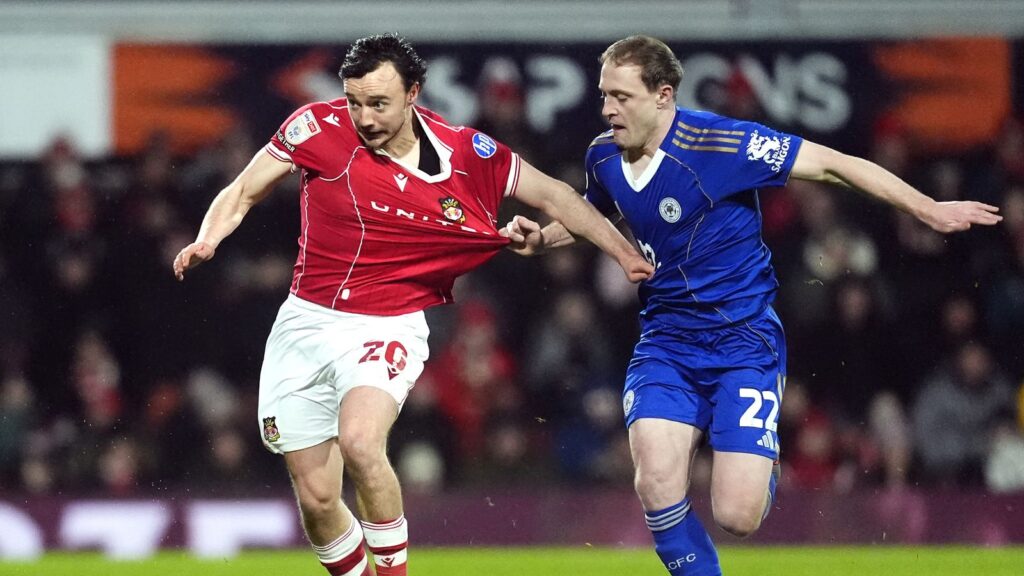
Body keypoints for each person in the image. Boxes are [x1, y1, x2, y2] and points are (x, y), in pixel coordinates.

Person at [506, 35, 1001, 576]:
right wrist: (544, 240)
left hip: (743, 343)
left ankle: (760, 465)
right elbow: (594, 215)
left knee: (736, 516)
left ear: (663, 95)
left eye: (621, 96)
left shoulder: (724, 144)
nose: (607, 109)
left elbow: (833, 164)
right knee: (655, 482)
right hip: (666, 342)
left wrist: (925, 207)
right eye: (605, 95)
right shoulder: (602, 156)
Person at [172, 33, 652, 576]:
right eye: (355, 102)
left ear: (413, 93)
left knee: (360, 442)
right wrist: (208, 238)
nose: (364, 118)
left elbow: (557, 195)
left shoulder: (466, 152)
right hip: (306, 320)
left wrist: (622, 253)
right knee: (318, 499)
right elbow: (242, 189)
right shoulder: (316, 127)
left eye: (378, 103)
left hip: (388, 322)